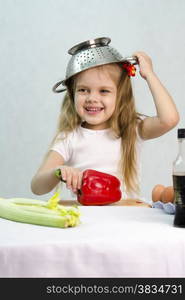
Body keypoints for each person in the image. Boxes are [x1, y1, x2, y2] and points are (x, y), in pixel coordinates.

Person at [31, 38, 179, 200]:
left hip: (126, 217)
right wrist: (58, 171)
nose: (92, 98)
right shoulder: (69, 138)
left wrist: (149, 75)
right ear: (72, 93)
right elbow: (37, 186)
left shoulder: (132, 128)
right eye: (83, 90)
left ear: (120, 95)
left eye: (103, 91)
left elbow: (169, 119)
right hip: (86, 219)